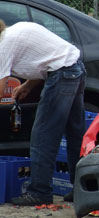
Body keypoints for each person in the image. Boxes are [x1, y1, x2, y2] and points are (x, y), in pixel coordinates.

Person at [0, 19, 86, 205]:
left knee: (43, 135)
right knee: (75, 134)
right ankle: (82, 189)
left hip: (63, 74)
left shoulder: (3, 46)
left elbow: (1, 85)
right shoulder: (16, 30)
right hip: (75, 67)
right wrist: (28, 85)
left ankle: (40, 191)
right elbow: (46, 58)